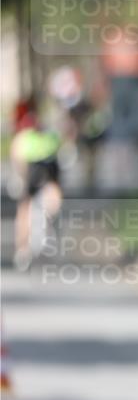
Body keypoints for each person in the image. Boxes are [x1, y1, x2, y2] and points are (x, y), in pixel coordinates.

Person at [10, 96, 63, 271]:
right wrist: (20, 180)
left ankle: (50, 237)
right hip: (29, 177)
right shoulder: (23, 138)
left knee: (54, 203)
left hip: (47, 176)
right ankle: (22, 249)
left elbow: (57, 165)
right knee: (24, 210)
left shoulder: (50, 137)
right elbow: (17, 161)